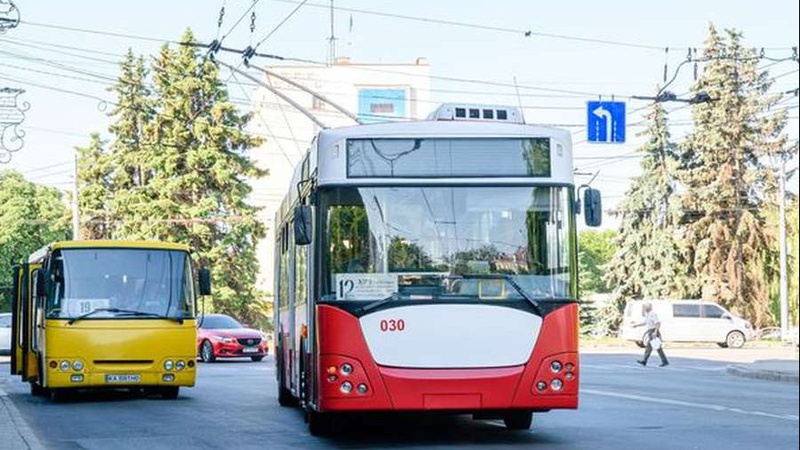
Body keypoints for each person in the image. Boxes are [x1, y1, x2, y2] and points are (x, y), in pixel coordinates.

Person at [637, 302, 669, 367]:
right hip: (650, 332)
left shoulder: (653, 314)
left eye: (646, 307)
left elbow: (658, 323)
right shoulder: (648, 315)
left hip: (653, 331)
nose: (645, 308)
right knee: (657, 347)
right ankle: (664, 361)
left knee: (651, 346)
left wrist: (655, 332)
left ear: (649, 308)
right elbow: (644, 321)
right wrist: (636, 325)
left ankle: (644, 360)